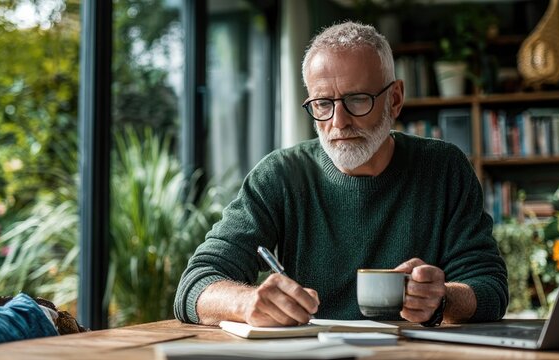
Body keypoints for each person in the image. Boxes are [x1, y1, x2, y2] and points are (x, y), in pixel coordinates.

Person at [173, 21, 507, 327]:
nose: (338, 122)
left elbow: (490, 287)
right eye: (322, 103)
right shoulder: (280, 175)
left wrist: (443, 296)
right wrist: (246, 302)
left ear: (395, 99)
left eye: (357, 99)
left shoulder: (443, 168)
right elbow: (195, 284)